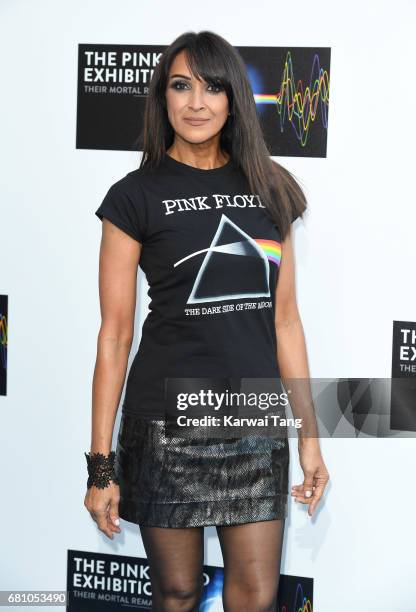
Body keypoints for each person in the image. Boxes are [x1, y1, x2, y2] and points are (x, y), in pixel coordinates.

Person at [84, 30, 329, 612]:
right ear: (162, 98)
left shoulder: (271, 188)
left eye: (213, 87)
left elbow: (286, 322)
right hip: (165, 426)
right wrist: (100, 467)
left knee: (256, 595)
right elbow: (115, 336)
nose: (196, 102)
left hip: (252, 418)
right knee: (176, 594)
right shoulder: (133, 196)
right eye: (181, 85)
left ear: (233, 99)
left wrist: (310, 440)